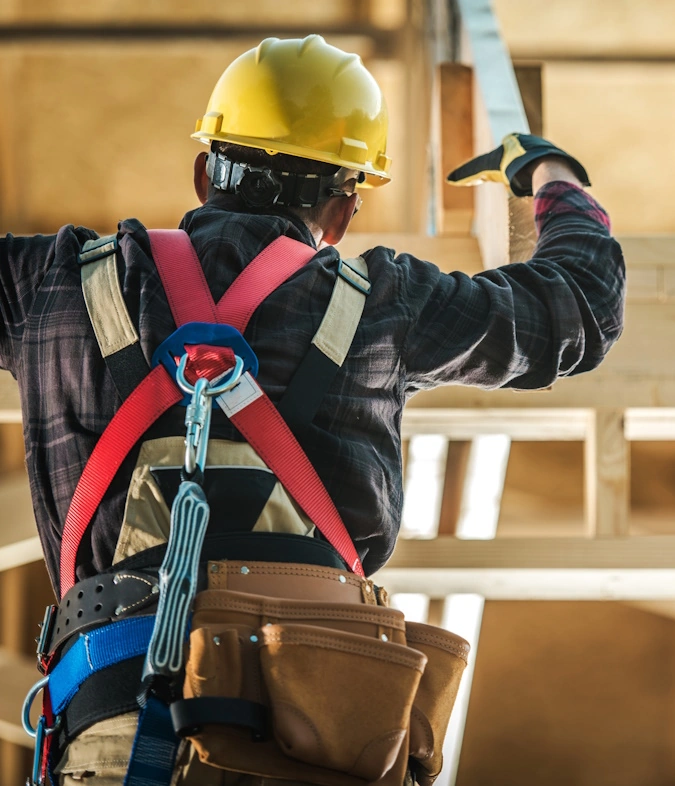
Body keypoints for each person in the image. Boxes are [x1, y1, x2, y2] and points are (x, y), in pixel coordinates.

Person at [3, 35, 624, 786]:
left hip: (116, 724)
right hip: (320, 734)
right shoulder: (385, 306)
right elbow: (578, 307)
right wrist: (549, 173)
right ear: (344, 208)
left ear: (205, 173)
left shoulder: (55, 282)